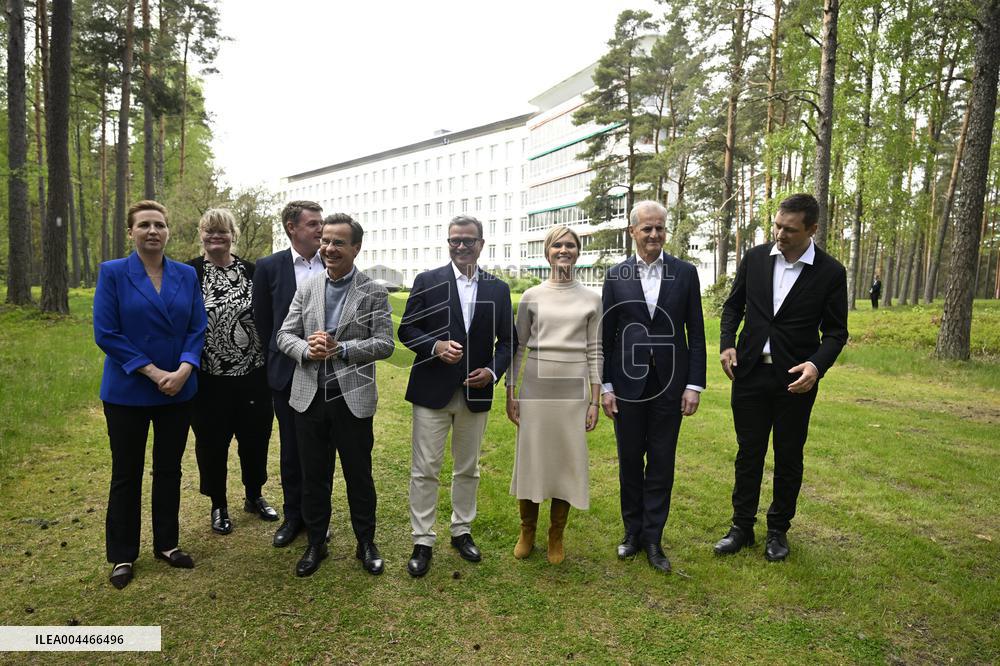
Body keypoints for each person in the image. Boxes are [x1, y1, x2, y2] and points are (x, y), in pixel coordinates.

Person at [715, 193, 848, 562]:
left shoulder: (831, 273)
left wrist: (816, 366)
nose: (780, 234)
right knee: (749, 452)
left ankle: (778, 531)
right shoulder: (755, 258)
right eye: (776, 225)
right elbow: (733, 306)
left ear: (812, 229)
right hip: (749, 374)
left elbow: (836, 332)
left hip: (795, 379)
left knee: (788, 455)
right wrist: (727, 344)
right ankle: (741, 527)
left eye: (789, 229)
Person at [93, 200, 207, 589]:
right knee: (126, 472)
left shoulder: (186, 275)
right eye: (144, 225)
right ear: (131, 232)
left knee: (169, 469)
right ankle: (123, 554)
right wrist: (155, 372)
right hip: (128, 390)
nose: (153, 231)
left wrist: (185, 369)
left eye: (159, 224)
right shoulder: (113, 273)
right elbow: (106, 333)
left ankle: (167, 544)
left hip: (179, 388)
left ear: (168, 231)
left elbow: (197, 327)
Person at [276, 214, 394, 577]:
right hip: (309, 398)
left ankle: (366, 543)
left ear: (356, 248)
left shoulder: (373, 291)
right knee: (314, 477)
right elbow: (284, 335)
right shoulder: (308, 287)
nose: (329, 248)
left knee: (359, 476)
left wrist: (341, 349)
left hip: (351, 400)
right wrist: (306, 350)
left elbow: (385, 343)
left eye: (338, 242)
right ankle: (316, 542)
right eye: (325, 241)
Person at [397, 215, 513, 577]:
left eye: (468, 240)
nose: (461, 246)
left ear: (481, 244)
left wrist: (492, 371)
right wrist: (434, 346)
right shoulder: (427, 281)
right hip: (431, 390)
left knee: (468, 468)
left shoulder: (498, 289)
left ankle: (461, 531)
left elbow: (508, 342)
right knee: (425, 469)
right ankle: (422, 539)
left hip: (475, 394)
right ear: (448, 243)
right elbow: (406, 329)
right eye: (454, 240)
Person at [601, 200, 706, 574]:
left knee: (661, 461)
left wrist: (694, 384)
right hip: (626, 385)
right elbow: (606, 336)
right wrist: (606, 385)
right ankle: (632, 532)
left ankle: (653, 538)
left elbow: (696, 332)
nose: (654, 234)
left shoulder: (685, 273)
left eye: (660, 227)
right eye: (647, 228)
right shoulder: (615, 275)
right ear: (632, 231)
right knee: (630, 460)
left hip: (669, 384)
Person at [505, 225, 601, 564]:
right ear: (547, 252)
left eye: (570, 245)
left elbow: (595, 350)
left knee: (566, 460)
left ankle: (556, 534)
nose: (564, 250)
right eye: (557, 245)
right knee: (532, 458)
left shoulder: (592, 299)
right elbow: (518, 346)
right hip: (536, 386)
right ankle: (527, 530)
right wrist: (510, 391)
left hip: (574, 390)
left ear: (578, 252)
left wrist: (595, 400)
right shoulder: (531, 296)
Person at [187, 209, 276, 536]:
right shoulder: (189, 273)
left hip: (253, 375)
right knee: (212, 443)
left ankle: (254, 495)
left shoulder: (252, 271)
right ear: (201, 235)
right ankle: (218, 504)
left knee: (256, 439)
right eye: (209, 231)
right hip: (208, 378)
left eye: (222, 231)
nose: (216, 237)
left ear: (232, 235)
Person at [252, 201, 325, 548]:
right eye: (313, 224)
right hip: (287, 371)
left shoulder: (332, 261)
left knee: (321, 449)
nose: (320, 229)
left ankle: (318, 518)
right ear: (291, 227)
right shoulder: (269, 267)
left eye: (321, 222)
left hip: (328, 372)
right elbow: (264, 322)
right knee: (292, 449)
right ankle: (293, 516)